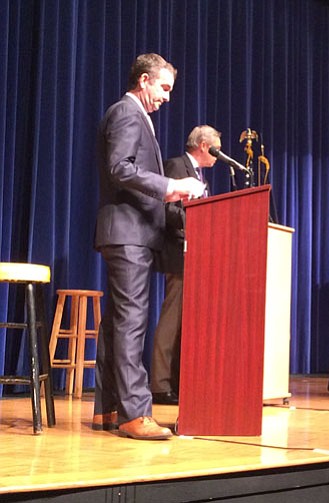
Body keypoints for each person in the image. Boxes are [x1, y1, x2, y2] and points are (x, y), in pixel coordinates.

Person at [93, 53, 205, 440]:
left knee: (116, 324)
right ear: (144, 81)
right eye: (164, 88)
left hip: (126, 233)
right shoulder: (127, 113)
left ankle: (107, 410)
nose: (167, 97)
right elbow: (119, 168)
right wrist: (171, 187)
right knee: (131, 323)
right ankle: (134, 414)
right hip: (128, 234)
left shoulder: (134, 115)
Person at [150, 125, 222, 405]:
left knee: (187, 322)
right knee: (171, 318)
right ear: (203, 145)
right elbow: (166, 209)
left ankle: (181, 381)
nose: (218, 154)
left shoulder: (200, 174)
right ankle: (159, 384)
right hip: (178, 253)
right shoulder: (176, 165)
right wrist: (198, 222)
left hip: (197, 255)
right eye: (216, 148)